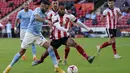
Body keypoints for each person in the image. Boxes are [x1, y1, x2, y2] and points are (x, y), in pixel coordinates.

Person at [3, 1, 65, 73]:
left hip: (38, 34)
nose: (46, 9)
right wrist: (46, 21)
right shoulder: (37, 10)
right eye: (45, 7)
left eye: (47, 8)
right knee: (22, 52)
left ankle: (56, 67)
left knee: (50, 48)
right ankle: (9, 67)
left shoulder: (45, 13)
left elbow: (49, 19)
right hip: (29, 33)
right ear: (42, 6)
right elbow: (37, 17)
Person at [32, 2, 95, 66]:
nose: (62, 11)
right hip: (56, 38)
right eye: (61, 9)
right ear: (58, 8)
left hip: (65, 37)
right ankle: (40, 60)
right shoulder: (55, 16)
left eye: (63, 9)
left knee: (74, 43)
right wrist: (67, 30)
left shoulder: (69, 15)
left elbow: (78, 22)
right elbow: (58, 26)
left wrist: (88, 29)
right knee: (48, 51)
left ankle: (87, 57)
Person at [47, 0, 70, 64]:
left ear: (58, 4)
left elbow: (68, 18)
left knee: (68, 45)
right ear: (52, 4)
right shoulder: (49, 13)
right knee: (51, 46)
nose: (55, 5)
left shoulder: (64, 10)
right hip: (54, 32)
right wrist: (51, 26)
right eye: (54, 3)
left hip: (63, 31)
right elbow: (49, 21)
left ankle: (65, 59)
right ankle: (58, 58)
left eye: (56, 3)